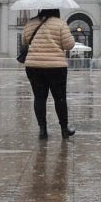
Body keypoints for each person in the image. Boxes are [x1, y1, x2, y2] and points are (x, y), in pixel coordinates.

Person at [22, 9, 76, 139]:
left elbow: (24, 41)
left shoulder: (30, 23)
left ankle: (43, 130)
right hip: (56, 67)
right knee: (60, 98)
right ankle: (64, 129)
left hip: (34, 66)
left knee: (39, 98)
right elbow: (69, 45)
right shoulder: (60, 23)